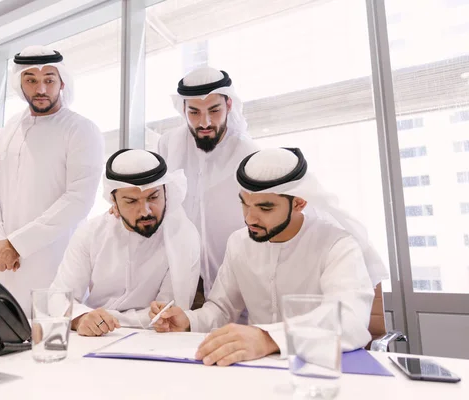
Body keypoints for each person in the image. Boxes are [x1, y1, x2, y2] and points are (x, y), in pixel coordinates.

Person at [150, 147, 389, 366]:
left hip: (320, 371)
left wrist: (269, 339)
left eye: (265, 208)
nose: (249, 219)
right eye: (245, 204)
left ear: (299, 202)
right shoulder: (239, 243)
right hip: (256, 368)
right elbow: (221, 310)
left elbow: (349, 320)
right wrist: (189, 321)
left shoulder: (337, 244)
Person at [0, 45, 104, 313]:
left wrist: (16, 244)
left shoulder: (81, 130)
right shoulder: (7, 132)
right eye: (31, 80)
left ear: (62, 82)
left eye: (49, 80)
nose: (41, 89)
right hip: (3, 266)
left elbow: (78, 199)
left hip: (55, 263)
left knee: (55, 343)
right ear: (19, 83)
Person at [50, 149, 200, 336]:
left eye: (153, 197)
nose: (145, 211)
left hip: (156, 342)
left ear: (166, 193)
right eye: (131, 201)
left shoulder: (183, 237)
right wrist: (81, 318)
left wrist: (98, 317)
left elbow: (166, 316)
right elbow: (57, 298)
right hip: (95, 338)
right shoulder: (91, 233)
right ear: (114, 201)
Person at [157, 66, 259, 308]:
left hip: (233, 277)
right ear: (183, 109)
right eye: (194, 112)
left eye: (214, 111)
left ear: (229, 106)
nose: (205, 122)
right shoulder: (169, 143)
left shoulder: (246, 151)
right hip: (181, 274)